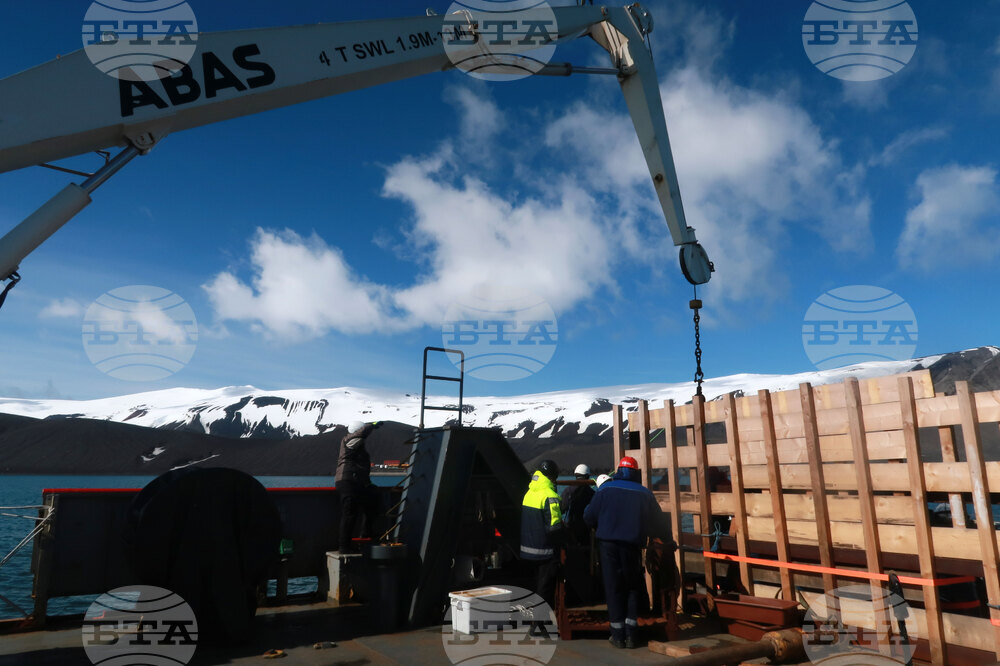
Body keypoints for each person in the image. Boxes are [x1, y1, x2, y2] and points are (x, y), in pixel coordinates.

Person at [584, 456, 667, 649]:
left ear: (619, 470)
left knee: (614, 588)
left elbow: (589, 516)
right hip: (632, 547)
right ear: (635, 472)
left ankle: (617, 635)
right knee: (631, 587)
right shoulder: (645, 493)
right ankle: (631, 635)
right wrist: (668, 541)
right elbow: (659, 522)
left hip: (608, 546)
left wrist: (600, 525)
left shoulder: (605, 489)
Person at [520, 459, 564, 609]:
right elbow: (554, 527)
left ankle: (536, 621)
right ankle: (540, 625)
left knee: (536, 586)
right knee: (545, 589)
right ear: (552, 477)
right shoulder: (549, 496)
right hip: (545, 552)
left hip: (528, 550)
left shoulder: (529, 492)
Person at [336, 420, 380, 553]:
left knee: (373, 499)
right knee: (349, 513)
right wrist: (371, 426)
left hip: (356, 482)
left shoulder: (357, 444)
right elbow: (361, 435)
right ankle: (344, 547)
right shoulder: (349, 440)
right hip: (347, 481)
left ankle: (366, 535)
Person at [559, 463, 595, 545]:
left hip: (571, 529)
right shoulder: (592, 493)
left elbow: (561, 509)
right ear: (588, 476)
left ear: (576, 475)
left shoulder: (568, 491)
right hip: (587, 530)